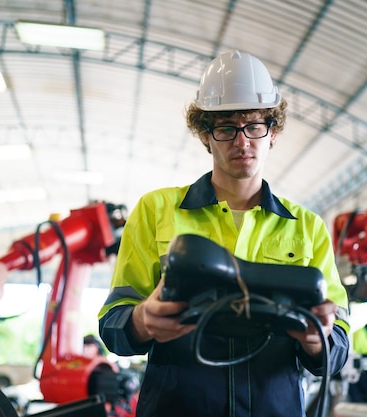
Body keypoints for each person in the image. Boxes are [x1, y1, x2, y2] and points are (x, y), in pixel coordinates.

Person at [98, 49, 350, 417]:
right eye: (226, 128)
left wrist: (319, 340)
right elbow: (113, 322)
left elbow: (339, 341)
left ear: (273, 132)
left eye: (254, 127)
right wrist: (140, 321)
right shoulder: (155, 211)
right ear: (206, 136)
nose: (242, 142)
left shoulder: (307, 227)